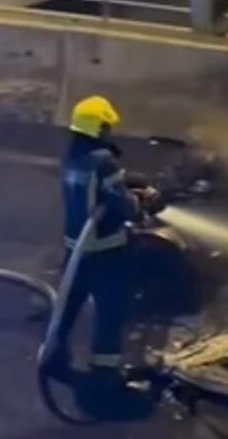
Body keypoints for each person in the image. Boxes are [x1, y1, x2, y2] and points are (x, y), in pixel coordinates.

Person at [44, 95, 162, 385]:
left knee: (67, 306)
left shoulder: (73, 155)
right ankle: (104, 370)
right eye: (107, 127)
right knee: (112, 309)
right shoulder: (103, 160)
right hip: (105, 251)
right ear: (98, 128)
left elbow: (96, 188)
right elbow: (123, 204)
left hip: (75, 247)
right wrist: (143, 204)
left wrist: (128, 181)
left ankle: (53, 355)